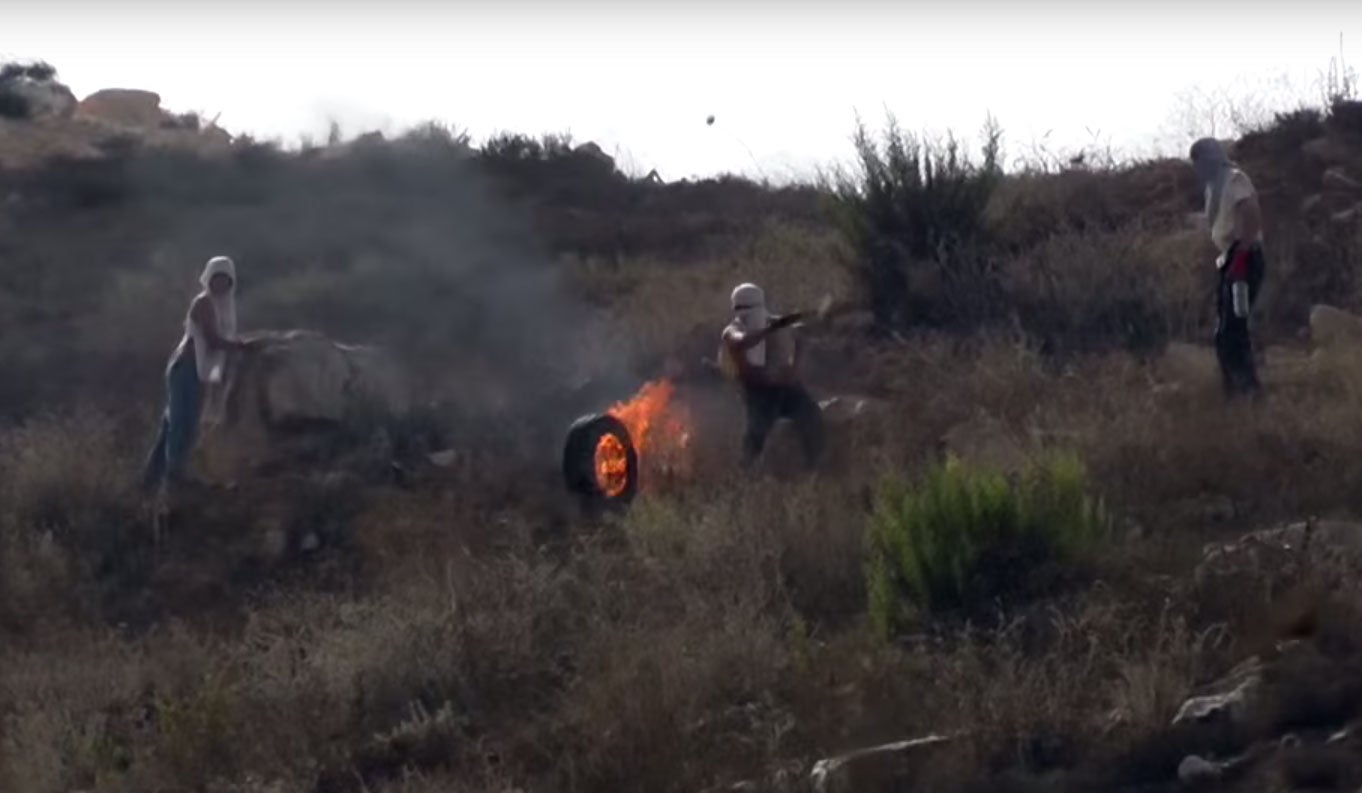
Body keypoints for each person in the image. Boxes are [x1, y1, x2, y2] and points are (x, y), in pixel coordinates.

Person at [141, 255, 250, 494]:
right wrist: (242, 347)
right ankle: (175, 478)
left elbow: (221, 343)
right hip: (186, 369)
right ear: (208, 279)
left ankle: (150, 482)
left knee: (172, 427)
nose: (220, 284)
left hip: (200, 373)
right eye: (216, 278)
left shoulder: (225, 308)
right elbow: (212, 339)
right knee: (183, 424)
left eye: (225, 279)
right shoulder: (203, 303)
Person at [1190, 137, 1266, 398]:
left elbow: (1251, 214)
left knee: (1233, 328)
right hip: (1229, 258)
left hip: (1243, 256)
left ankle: (1248, 391)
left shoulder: (1234, 178)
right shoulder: (1213, 187)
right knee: (1225, 329)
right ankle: (1234, 391)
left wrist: (1241, 259)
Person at [720, 282, 824, 468]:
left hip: (786, 387)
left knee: (812, 419)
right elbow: (740, 341)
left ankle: (816, 468)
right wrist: (768, 330)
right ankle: (744, 475)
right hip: (759, 393)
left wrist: (795, 364)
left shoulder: (774, 323)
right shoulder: (732, 330)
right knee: (756, 437)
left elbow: (800, 338)